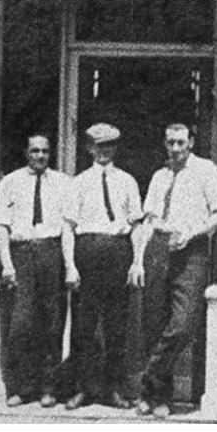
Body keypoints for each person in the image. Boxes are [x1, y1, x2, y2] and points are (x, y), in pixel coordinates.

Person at [136, 123, 217, 418]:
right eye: (170, 143)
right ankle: (159, 398)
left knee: (182, 325)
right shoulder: (159, 176)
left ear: (191, 142)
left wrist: (192, 232)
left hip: (191, 251)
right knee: (156, 323)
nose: (175, 149)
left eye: (180, 142)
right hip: (158, 248)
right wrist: (138, 259)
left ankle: (148, 375)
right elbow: (148, 220)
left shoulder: (205, 171)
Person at [63, 123, 144, 410]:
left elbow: (136, 225)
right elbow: (68, 228)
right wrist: (70, 266)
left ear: (116, 148)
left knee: (117, 326)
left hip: (117, 252)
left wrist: (136, 261)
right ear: (89, 149)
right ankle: (83, 389)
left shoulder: (128, 182)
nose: (104, 151)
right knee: (84, 326)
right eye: (99, 146)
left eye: (110, 145)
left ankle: (113, 390)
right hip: (87, 253)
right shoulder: (79, 183)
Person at [0, 133, 76, 408]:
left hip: (51, 252)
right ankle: (20, 387)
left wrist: (70, 266)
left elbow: (67, 229)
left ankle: (48, 388)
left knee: (53, 323)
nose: (40, 156)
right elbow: (2, 227)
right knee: (21, 323)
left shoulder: (63, 183)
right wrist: (7, 264)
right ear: (25, 152)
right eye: (35, 151)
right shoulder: (10, 182)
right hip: (22, 254)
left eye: (45, 151)